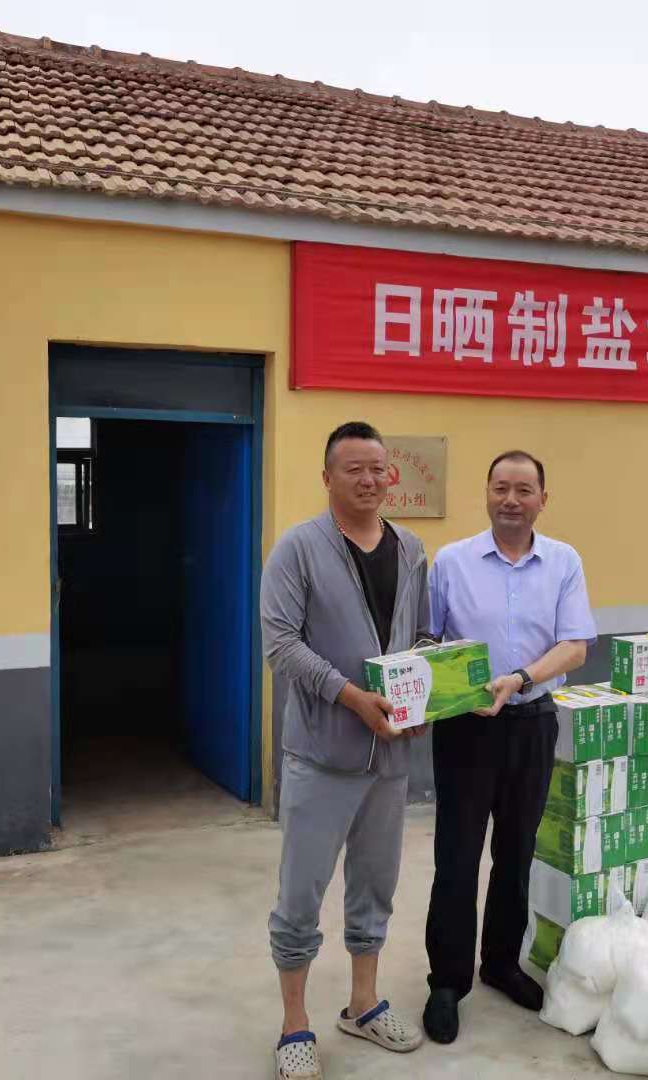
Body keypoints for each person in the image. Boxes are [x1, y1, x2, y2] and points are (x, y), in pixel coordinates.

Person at [261, 421, 429, 1080]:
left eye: (377, 468)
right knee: (300, 895)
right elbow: (281, 644)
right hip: (321, 756)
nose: (368, 480)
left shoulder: (411, 549)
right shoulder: (298, 548)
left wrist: (423, 697)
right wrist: (351, 696)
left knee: (375, 886)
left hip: (390, 759)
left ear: (391, 475)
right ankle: (294, 1024)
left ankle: (363, 1004)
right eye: (353, 468)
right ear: (327, 476)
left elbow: (421, 637)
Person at [421, 449, 597, 1044]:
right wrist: (441, 689)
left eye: (524, 490)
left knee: (517, 852)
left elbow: (576, 645)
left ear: (543, 499)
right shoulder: (452, 561)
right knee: (457, 855)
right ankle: (447, 982)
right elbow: (427, 639)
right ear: (487, 493)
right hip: (466, 728)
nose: (511, 500)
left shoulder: (564, 561)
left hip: (533, 721)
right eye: (501, 488)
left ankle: (500, 963)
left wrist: (521, 678)